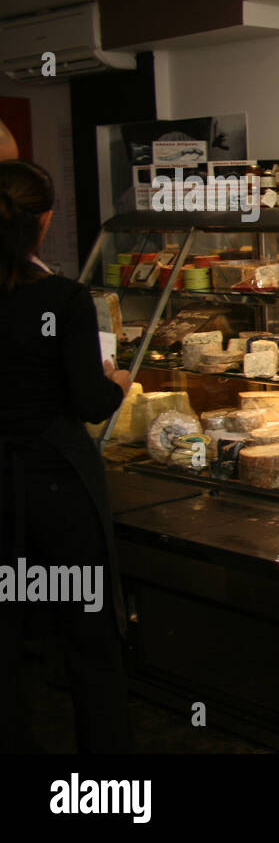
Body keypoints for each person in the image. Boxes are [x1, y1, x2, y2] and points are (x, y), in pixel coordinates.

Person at [0, 159, 132, 753]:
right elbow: (89, 401)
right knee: (88, 636)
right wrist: (118, 382)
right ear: (46, 221)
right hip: (56, 485)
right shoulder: (64, 298)